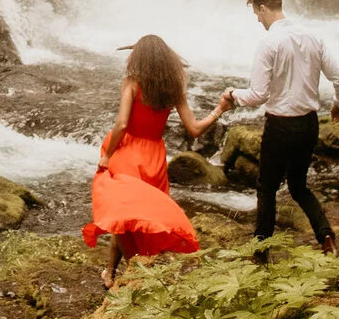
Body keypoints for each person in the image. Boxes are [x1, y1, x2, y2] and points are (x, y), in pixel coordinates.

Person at [83, 34, 231, 287]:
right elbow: (194, 129)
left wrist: (107, 155)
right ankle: (112, 273)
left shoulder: (132, 83)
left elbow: (122, 123)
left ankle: (134, 274)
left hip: (127, 152)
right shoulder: (173, 89)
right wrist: (219, 110)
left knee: (123, 216)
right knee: (131, 218)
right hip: (154, 158)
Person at [216, 0, 339, 254]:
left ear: (264, 8)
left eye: (257, 14)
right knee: (299, 186)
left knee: (266, 187)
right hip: (309, 123)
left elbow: (258, 95)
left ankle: (261, 249)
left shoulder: (269, 43)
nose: (258, 20)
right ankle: (326, 237)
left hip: (280, 126)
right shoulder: (313, 36)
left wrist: (232, 94)